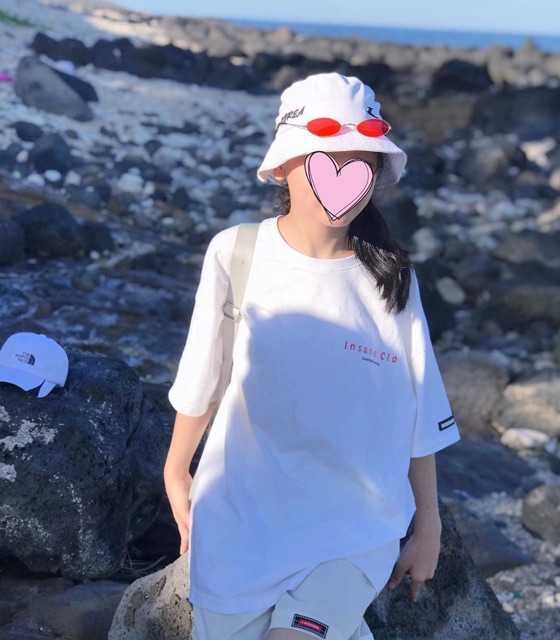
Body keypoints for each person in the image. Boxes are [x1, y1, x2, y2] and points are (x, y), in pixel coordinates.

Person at [164, 72, 460, 640]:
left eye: (361, 162)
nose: (344, 178)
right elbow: (203, 376)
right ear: (283, 166)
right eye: (325, 159)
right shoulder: (236, 252)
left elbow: (419, 408)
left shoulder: (391, 277)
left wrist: (430, 526)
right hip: (240, 523)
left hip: (353, 527)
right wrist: (176, 470)